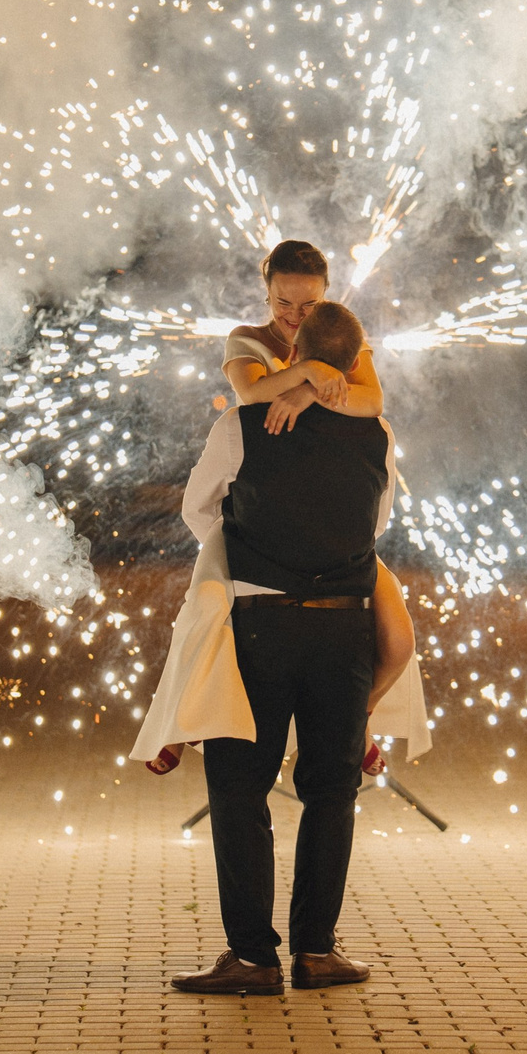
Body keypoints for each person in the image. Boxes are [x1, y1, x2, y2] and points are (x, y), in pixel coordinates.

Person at [134, 240, 425, 774]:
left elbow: (372, 402)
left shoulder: (342, 337)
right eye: (282, 303)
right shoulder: (248, 339)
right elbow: (249, 395)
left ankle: (361, 717)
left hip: (334, 537)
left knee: (399, 635)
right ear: (267, 294)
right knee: (204, 608)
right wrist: (309, 374)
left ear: (326, 296)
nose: (293, 317)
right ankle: (177, 725)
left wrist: (307, 392)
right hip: (252, 524)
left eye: (307, 306)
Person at [170, 300, 389, 995]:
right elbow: (376, 520)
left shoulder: (241, 424)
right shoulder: (378, 432)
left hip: (261, 624)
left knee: (240, 785)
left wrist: (250, 540)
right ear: (355, 364)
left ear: (291, 355)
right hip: (346, 627)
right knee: (332, 789)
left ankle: (253, 957)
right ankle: (316, 952)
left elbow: (197, 509)